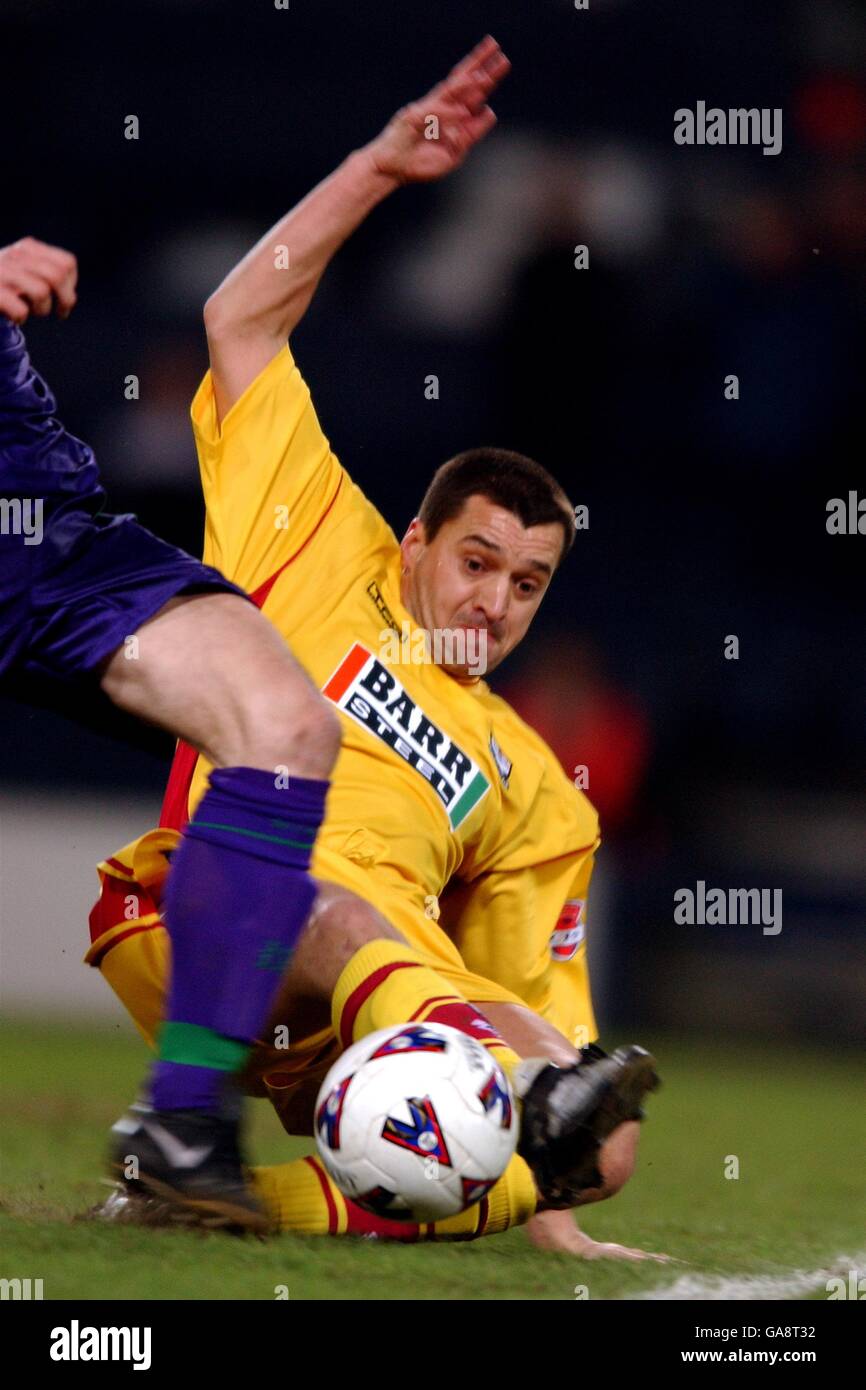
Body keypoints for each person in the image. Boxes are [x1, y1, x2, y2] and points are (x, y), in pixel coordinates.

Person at [87, 36, 661, 1254]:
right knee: (333, 895)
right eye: (475, 560)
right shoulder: (315, 543)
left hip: (365, 1020)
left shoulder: (533, 790)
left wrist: (554, 1193)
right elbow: (238, 314)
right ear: (412, 540)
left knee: (595, 1140)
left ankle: (200, 1207)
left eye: (528, 583)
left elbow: (537, 999)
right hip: (201, 923)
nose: (496, 601)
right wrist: (377, 171)